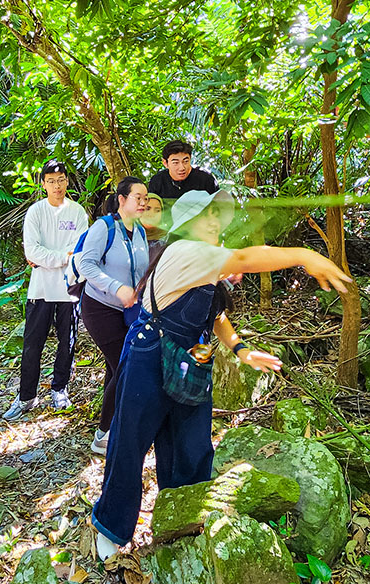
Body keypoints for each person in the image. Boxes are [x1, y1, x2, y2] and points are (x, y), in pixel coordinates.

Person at [90, 189, 352, 559]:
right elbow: (246, 257)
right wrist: (306, 255)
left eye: (218, 213)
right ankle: (111, 528)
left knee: (192, 446)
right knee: (129, 443)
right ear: (187, 223)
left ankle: (183, 518)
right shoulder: (185, 251)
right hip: (150, 354)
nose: (215, 220)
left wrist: (242, 351)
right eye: (207, 214)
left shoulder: (207, 262)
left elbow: (216, 316)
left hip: (191, 362)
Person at [4, 160, 89, 419]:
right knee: (32, 344)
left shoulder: (77, 213)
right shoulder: (36, 212)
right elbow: (32, 251)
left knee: (68, 342)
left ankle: (59, 388)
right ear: (43, 184)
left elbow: (81, 252)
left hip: (69, 288)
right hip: (40, 289)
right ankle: (26, 396)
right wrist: (64, 256)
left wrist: (48, 258)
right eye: (51, 180)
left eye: (61, 179)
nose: (57, 185)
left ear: (67, 182)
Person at [76, 177, 150, 455]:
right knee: (126, 365)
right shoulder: (103, 227)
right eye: (138, 198)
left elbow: (142, 271)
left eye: (145, 198)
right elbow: (86, 264)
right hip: (100, 308)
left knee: (115, 366)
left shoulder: (140, 231)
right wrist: (116, 287)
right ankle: (104, 433)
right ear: (122, 199)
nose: (143, 203)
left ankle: (115, 424)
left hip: (129, 310)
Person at [146, 140, 219, 201]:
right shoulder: (157, 181)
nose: (182, 168)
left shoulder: (206, 180)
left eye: (186, 161)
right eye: (175, 163)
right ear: (165, 163)